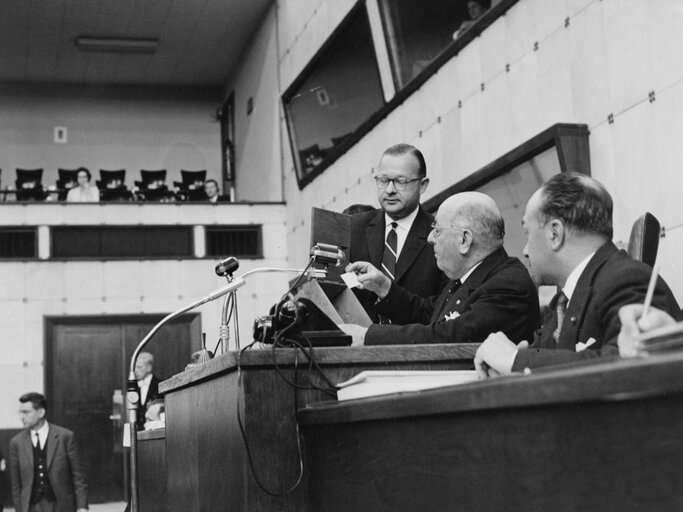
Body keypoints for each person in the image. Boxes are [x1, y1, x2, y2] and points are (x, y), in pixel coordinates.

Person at [474, 172, 682, 377]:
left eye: (527, 233)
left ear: (555, 234)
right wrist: (511, 363)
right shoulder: (562, 301)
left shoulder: (628, 279)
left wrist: (514, 360)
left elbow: (629, 366)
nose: (525, 250)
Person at [339, 191, 540, 346]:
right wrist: (383, 287)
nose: (430, 238)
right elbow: (429, 314)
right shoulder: (471, 277)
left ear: (464, 240)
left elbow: (450, 335)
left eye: (437, 230)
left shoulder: (509, 284)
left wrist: (367, 336)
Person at [349, 144, 448, 320]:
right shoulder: (354, 227)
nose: (389, 190)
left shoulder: (442, 235)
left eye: (401, 181)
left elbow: (441, 311)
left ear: (423, 185)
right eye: (383, 180)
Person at [9, 392, 88, 512]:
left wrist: (82, 507)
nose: (21, 416)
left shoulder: (65, 437)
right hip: (31, 507)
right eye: (20, 412)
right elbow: (16, 485)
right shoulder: (17, 443)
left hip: (60, 505)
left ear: (41, 413)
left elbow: (79, 477)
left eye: (26, 412)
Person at [135, 352, 161, 430]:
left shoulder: (160, 385)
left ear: (149, 368)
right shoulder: (134, 387)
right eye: (135, 367)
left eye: (139, 367)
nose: (135, 371)